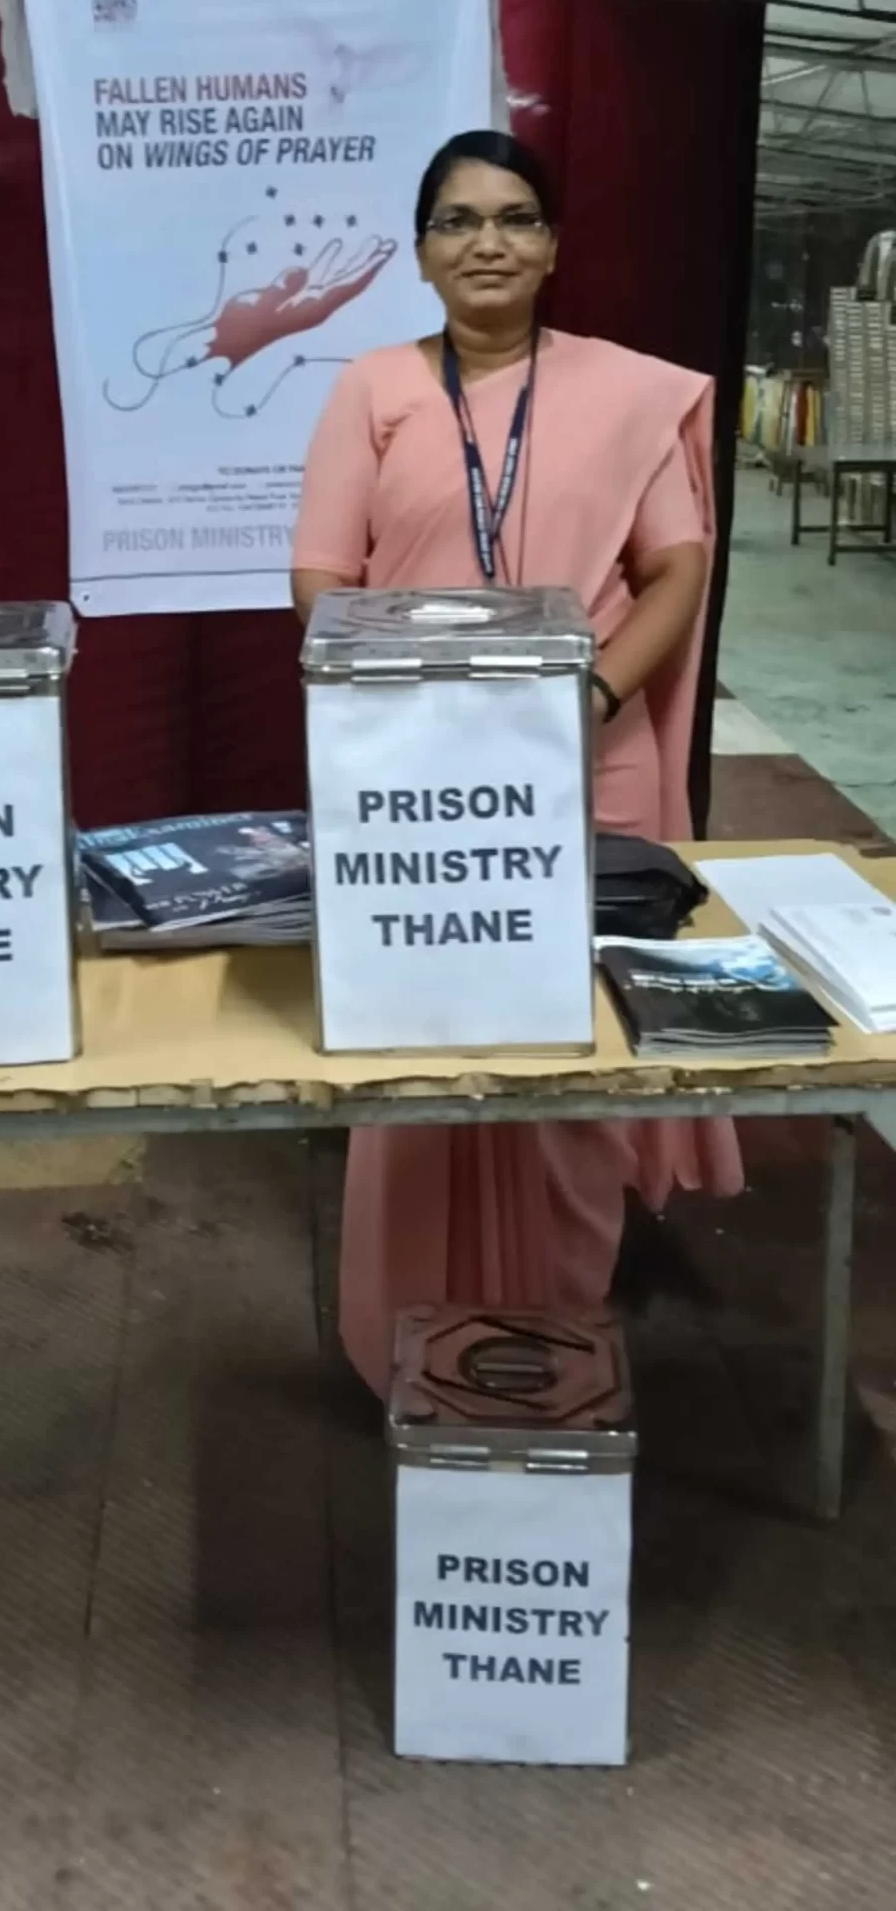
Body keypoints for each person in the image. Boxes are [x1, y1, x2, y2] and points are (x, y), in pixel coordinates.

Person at [291, 127, 742, 1399]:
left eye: (513, 217)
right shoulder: (373, 386)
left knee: (571, 1045)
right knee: (419, 1032)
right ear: (420, 252)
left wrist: (586, 696)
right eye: (456, 220)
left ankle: (550, 1335)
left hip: (586, 760)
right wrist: (408, 701)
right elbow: (320, 574)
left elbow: (673, 567)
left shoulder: (622, 392)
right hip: (421, 775)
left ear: (549, 247)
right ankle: (406, 1334)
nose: (485, 241)